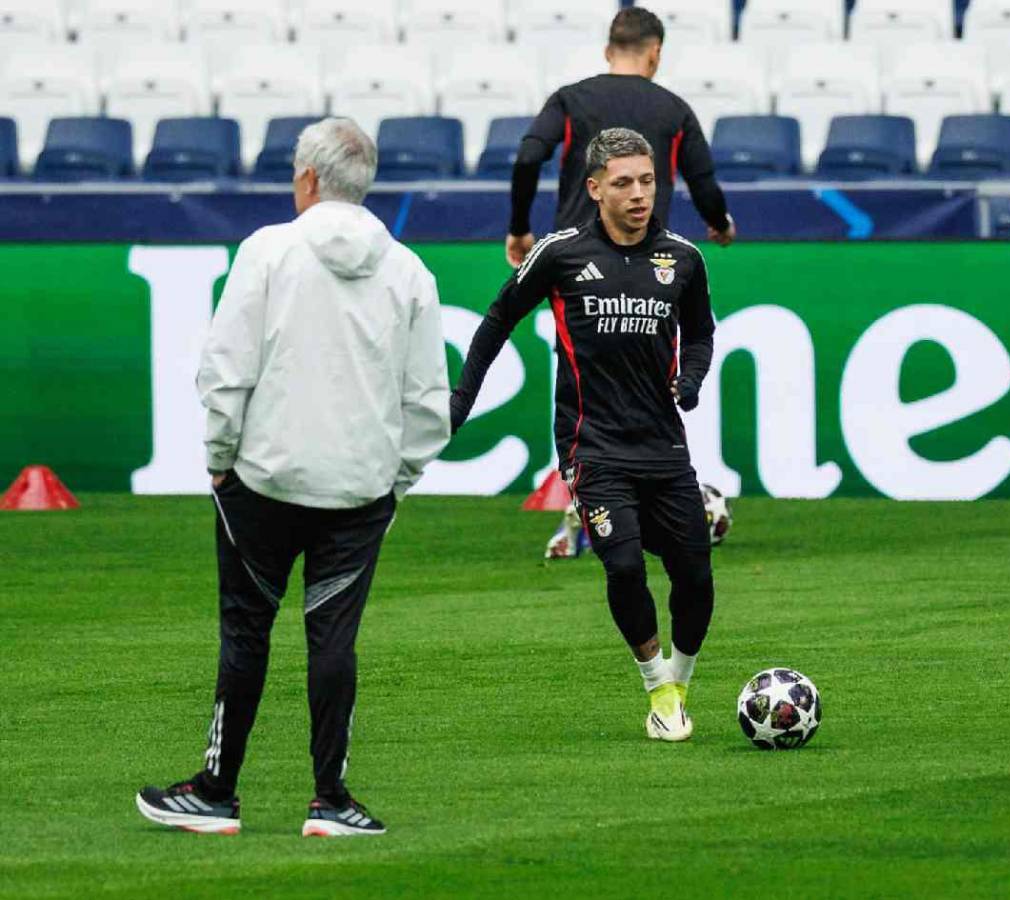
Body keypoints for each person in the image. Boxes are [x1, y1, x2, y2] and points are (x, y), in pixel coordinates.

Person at [135, 118, 451, 834]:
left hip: (264, 483)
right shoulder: (410, 271)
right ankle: (331, 800)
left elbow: (225, 370)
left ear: (307, 178)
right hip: (358, 489)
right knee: (333, 641)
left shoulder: (267, 251)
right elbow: (429, 402)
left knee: (246, 634)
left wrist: (219, 459)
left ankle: (217, 791)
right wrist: (394, 480)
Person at [453, 127, 716, 742]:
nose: (639, 194)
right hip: (590, 444)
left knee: (695, 577)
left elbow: (701, 333)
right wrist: (461, 399)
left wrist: (692, 378)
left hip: (663, 445)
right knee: (623, 566)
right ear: (594, 188)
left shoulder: (682, 257)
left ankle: (679, 681)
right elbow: (497, 319)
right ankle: (658, 690)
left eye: (647, 181)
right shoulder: (560, 254)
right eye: (623, 183)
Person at [505, 6, 735, 269]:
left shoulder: (569, 100)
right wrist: (721, 224)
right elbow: (703, 184)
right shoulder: (675, 110)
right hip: (646, 264)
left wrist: (519, 228)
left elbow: (528, 157)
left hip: (575, 263)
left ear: (608, 52)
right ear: (655, 53)